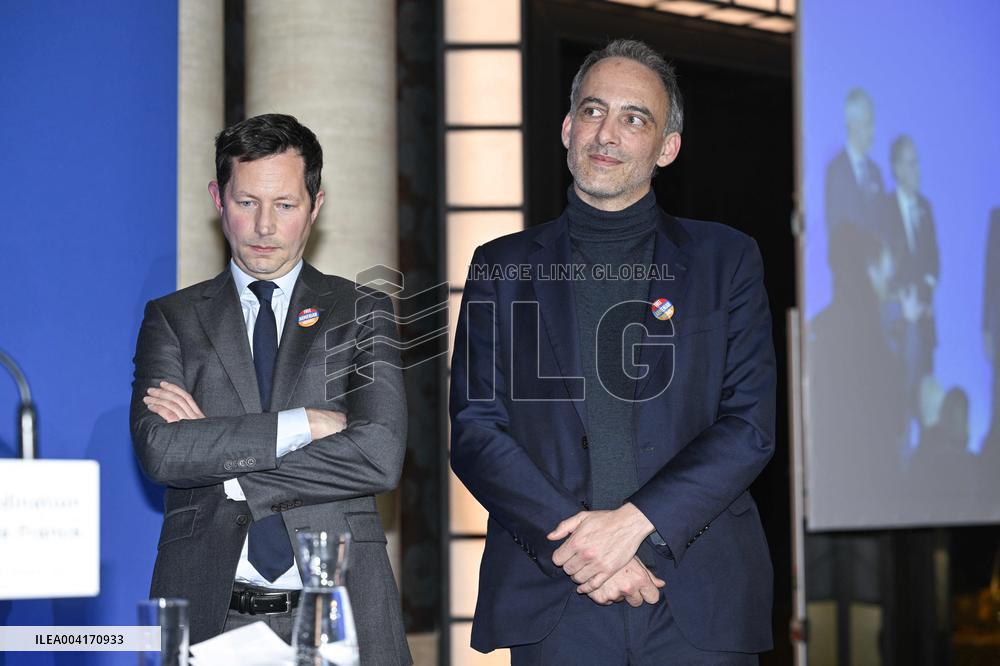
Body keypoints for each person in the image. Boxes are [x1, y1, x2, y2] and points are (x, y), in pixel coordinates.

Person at [450, 39, 776, 663]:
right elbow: (476, 432)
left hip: (699, 595)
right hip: (556, 596)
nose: (608, 133)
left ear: (667, 147)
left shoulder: (726, 260)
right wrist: (586, 550)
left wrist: (634, 522)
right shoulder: (501, 267)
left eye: (635, 118)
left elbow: (749, 425)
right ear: (568, 128)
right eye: (594, 111)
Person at [130, 113, 411, 664]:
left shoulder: (361, 311)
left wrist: (231, 471)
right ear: (218, 198)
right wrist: (302, 424)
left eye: (284, 205)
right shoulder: (174, 318)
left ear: (315, 205)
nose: (264, 227)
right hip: (210, 609)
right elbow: (162, 451)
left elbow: (378, 456)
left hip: (339, 607)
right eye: (246, 202)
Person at [878, 135, 939, 414]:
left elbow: (934, 260)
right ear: (896, 168)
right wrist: (903, 299)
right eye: (910, 163)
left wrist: (925, 289)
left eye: (918, 162)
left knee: (926, 402)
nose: (917, 170)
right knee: (901, 403)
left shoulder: (925, 208)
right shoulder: (883, 208)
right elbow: (882, 263)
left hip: (924, 320)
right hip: (898, 324)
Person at [824, 88, 884, 235]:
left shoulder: (875, 171)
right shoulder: (835, 169)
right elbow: (835, 226)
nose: (873, 131)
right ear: (852, 124)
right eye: (868, 123)